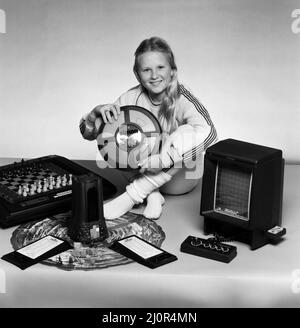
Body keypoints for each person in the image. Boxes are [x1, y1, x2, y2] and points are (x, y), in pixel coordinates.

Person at [80, 36, 217, 220]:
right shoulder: (131, 97)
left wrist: (166, 158)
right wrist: (94, 115)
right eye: (146, 70)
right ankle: (153, 195)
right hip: (143, 171)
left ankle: (132, 197)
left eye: (160, 67)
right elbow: (90, 135)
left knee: (185, 134)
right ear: (137, 74)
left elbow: (210, 133)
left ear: (172, 70)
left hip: (181, 179)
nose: (154, 76)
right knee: (117, 135)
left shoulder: (182, 97)